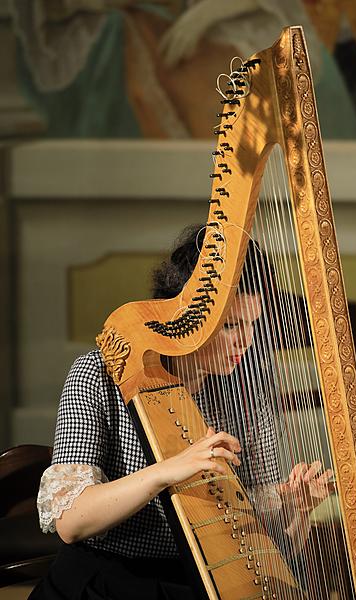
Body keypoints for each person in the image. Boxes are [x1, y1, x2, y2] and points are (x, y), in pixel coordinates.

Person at [30, 224, 333, 600]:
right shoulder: (99, 374)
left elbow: (260, 540)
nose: (246, 341)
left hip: (200, 583)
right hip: (107, 583)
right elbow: (71, 522)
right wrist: (168, 470)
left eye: (252, 324)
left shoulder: (244, 390)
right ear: (189, 321)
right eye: (232, 325)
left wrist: (296, 508)